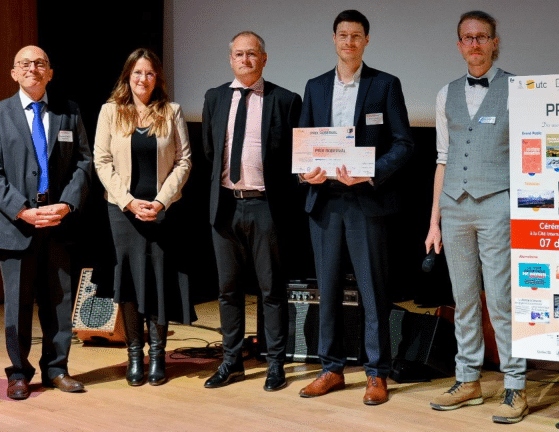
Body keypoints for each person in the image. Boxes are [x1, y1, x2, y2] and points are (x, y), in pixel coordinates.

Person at [298, 10, 414, 405]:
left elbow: (404, 144)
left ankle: (377, 373)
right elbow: (304, 144)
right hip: (325, 202)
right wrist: (305, 173)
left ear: (366, 40)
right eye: (343, 35)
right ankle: (330, 369)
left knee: (373, 291)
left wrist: (369, 172)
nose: (349, 42)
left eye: (356, 36)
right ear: (333, 39)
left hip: (367, 202)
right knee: (328, 290)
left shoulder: (385, 84)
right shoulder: (315, 87)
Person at [424, 11, 528, 423]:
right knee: (464, 298)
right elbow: (442, 159)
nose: (474, 44)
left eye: (482, 37)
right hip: (453, 206)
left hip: (497, 203)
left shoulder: (516, 89)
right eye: (467, 38)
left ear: (494, 42)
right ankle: (468, 380)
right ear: (459, 45)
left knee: (500, 300)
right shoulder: (445, 93)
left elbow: (528, 153)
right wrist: (434, 221)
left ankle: (515, 385)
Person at [0, 45, 92, 400]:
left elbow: (84, 164)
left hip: (58, 221)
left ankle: (57, 369)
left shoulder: (69, 112)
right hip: (16, 224)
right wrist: (22, 210)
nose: (33, 68)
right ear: (14, 73)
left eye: (40, 63)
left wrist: (67, 205)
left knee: (59, 301)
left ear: (50, 73)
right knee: (17, 304)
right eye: (25, 64)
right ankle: (18, 373)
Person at [202, 31, 301, 392]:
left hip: (265, 207)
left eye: (252, 54)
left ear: (264, 58)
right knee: (227, 290)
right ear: (231, 59)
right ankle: (231, 362)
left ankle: (275, 364)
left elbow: (294, 156)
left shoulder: (286, 100)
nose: (245, 60)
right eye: (239, 54)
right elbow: (210, 151)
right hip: (226, 205)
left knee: (271, 290)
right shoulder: (214, 98)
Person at [94, 48, 193, 387]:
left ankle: (158, 356)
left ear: (157, 78)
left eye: (149, 73)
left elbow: (184, 161)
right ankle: (135, 355)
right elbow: (101, 161)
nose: (143, 79)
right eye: (137, 72)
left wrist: (161, 202)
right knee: (130, 283)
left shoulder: (172, 111)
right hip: (123, 213)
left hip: (163, 212)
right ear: (128, 76)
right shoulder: (110, 111)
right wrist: (129, 202)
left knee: (159, 282)